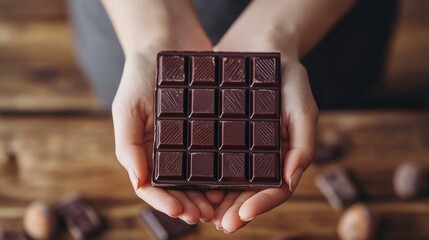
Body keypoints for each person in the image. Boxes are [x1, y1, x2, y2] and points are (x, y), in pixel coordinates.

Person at [67, 0, 397, 233]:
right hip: (130, 14)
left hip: (325, 24)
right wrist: (151, 34)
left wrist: (278, 31)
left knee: (341, 95)